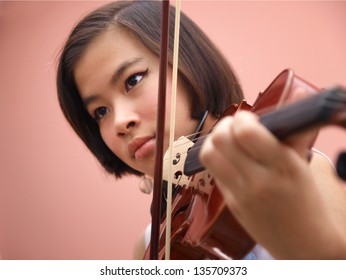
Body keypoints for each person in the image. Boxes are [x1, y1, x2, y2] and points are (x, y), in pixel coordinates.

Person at [56, 1, 346, 259]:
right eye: (100, 112)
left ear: (187, 63)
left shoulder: (298, 173)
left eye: (132, 80)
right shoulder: (151, 245)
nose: (119, 121)